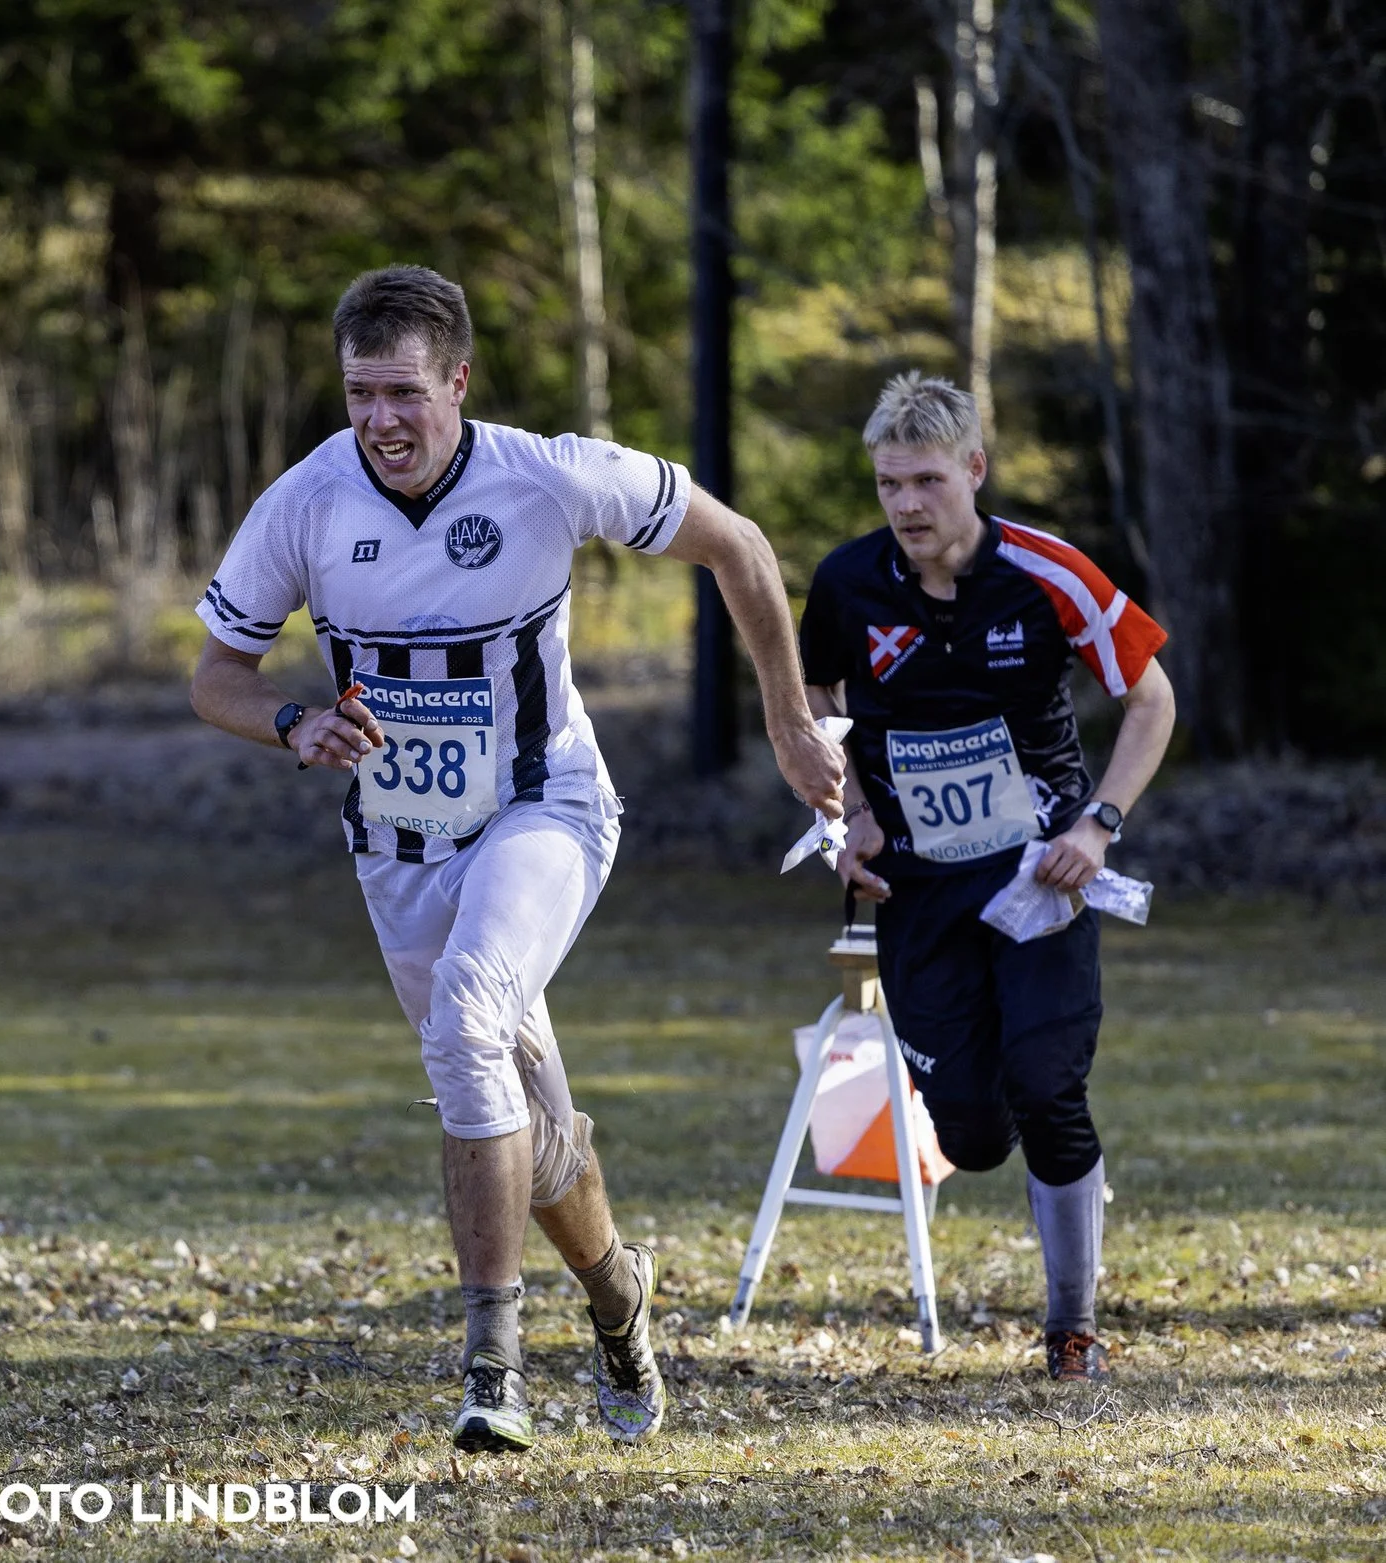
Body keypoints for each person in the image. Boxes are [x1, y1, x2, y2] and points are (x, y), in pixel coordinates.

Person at [190, 266, 844, 1452]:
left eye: (402, 392)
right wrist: (292, 722)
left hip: (543, 809)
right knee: (521, 1121)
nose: (380, 420)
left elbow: (739, 546)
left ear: (458, 381)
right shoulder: (305, 501)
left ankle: (492, 1367)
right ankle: (616, 1295)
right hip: (397, 848)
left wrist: (789, 723)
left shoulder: (545, 473)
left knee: (467, 1016)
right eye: (357, 394)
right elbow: (213, 675)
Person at [799, 371, 1176, 1382]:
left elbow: (1151, 700)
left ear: (973, 469)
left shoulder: (1049, 573)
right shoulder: (845, 584)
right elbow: (814, 701)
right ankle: (1052, 1160)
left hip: (1036, 875)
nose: (907, 504)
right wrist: (850, 815)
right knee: (969, 1133)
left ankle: (1071, 1328)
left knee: (1048, 1086)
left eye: (925, 479)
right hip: (916, 889)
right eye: (887, 484)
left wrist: (1097, 826)